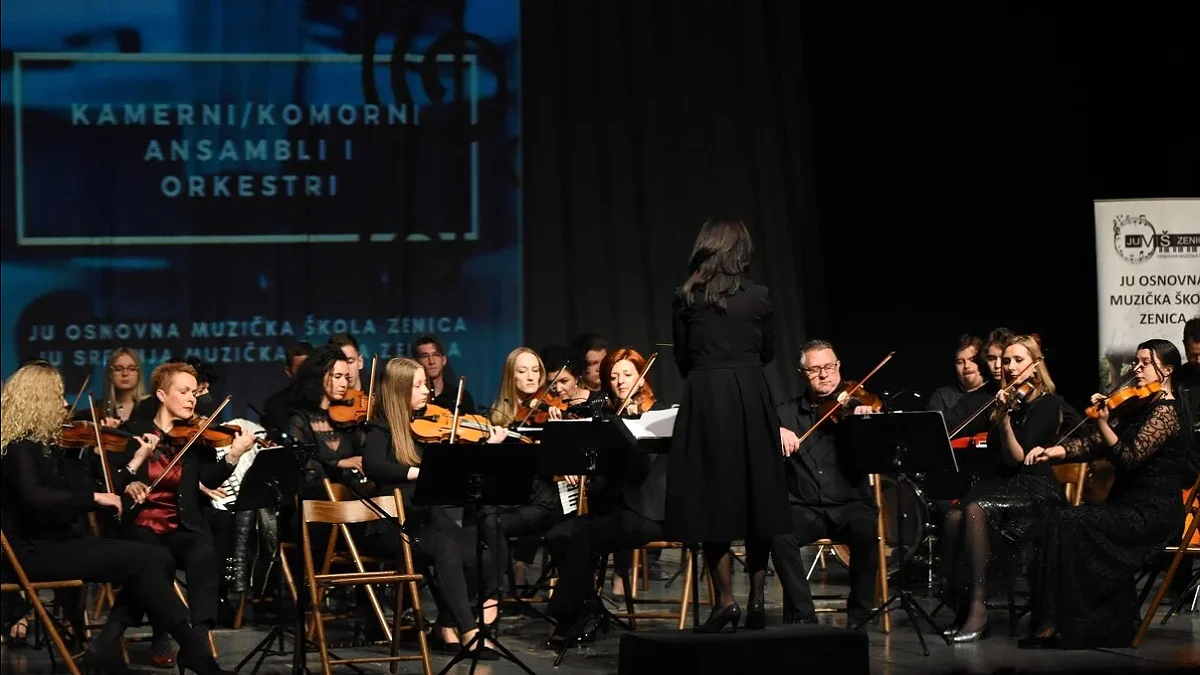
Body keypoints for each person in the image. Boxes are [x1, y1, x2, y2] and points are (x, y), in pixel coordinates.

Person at [0, 360, 231, 675]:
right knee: (149, 559)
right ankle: (190, 654)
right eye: (55, 397)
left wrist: (94, 464)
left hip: (62, 542)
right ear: (37, 400)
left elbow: (77, 489)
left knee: (155, 559)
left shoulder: (48, 447)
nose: (63, 404)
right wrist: (94, 497)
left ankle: (114, 647)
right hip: (31, 553)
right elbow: (37, 497)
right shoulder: (17, 447)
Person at [1021, 338, 1195, 649]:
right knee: (1060, 518)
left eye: (1145, 362)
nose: (1136, 368)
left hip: (1153, 512)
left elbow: (1127, 457)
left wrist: (1103, 423)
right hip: (1127, 504)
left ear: (1167, 370)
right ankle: (1058, 623)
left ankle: (1084, 626)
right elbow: (1095, 443)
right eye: (1136, 361)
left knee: (1072, 522)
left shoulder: (1166, 414)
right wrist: (1055, 452)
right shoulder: (1140, 405)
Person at [664, 217, 791, 633]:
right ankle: (757, 599)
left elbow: (682, 359)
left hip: (704, 399)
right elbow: (768, 352)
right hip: (750, 397)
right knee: (757, 495)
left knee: (708, 498)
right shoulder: (759, 297)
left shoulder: (685, 297)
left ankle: (724, 602)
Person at [359, 357, 505, 659]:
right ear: (400, 391)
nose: (427, 391)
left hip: (428, 519)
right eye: (418, 385)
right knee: (445, 549)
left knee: (481, 552)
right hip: (392, 526)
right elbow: (372, 465)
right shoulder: (380, 427)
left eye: (426, 384)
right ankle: (469, 631)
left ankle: (445, 625)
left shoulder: (420, 428)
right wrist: (415, 472)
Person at [118, 361, 255, 666]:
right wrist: (133, 480)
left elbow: (210, 478)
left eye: (194, 392)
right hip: (143, 526)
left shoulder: (195, 434)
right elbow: (119, 478)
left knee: (203, 549)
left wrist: (234, 453)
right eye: (184, 391)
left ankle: (199, 636)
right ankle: (161, 635)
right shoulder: (136, 432)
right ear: (162, 395)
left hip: (179, 525)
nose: (193, 398)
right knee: (158, 562)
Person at [938, 335, 1072, 642]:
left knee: (974, 511)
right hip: (1003, 483)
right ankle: (962, 606)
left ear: (1036, 366)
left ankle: (978, 610)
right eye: (1007, 361)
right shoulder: (1000, 402)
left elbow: (1018, 458)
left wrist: (1006, 421)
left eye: (1018, 360)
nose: (1010, 367)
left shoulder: (1048, 404)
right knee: (954, 516)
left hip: (1035, 488)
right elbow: (994, 458)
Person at [546, 347, 669, 645]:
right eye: (613, 377)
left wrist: (631, 431)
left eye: (627, 375)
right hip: (614, 511)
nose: (620, 382)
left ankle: (567, 614)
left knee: (587, 534)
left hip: (651, 513)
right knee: (559, 535)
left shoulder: (660, 415)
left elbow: (646, 471)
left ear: (641, 378)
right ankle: (589, 608)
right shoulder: (610, 416)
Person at [772, 340, 881, 627]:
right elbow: (756, 429)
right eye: (815, 369)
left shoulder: (859, 403)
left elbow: (881, 451)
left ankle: (859, 616)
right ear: (801, 373)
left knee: (866, 534)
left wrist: (867, 425)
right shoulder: (785, 413)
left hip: (851, 504)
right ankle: (804, 616)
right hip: (806, 508)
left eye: (830, 367)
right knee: (778, 533)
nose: (825, 374)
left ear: (839, 367)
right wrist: (775, 430)